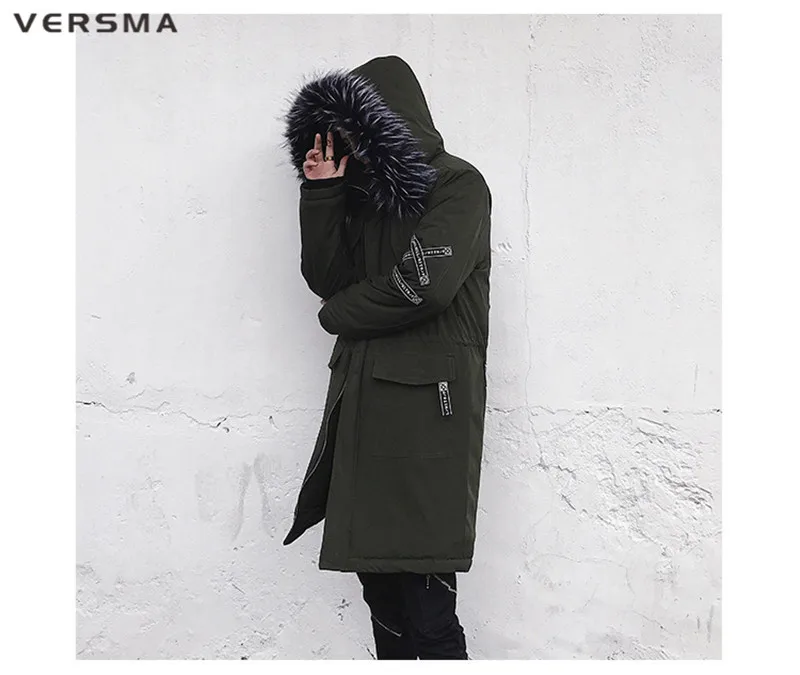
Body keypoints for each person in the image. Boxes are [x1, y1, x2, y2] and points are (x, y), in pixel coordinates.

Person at [280, 54, 492, 660]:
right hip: (364, 405)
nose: (352, 146)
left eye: (360, 132)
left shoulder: (457, 186)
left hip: (428, 417)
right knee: (382, 598)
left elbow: (423, 285)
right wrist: (324, 192)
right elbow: (328, 278)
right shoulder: (361, 198)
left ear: (391, 124)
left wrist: (337, 315)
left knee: (428, 604)